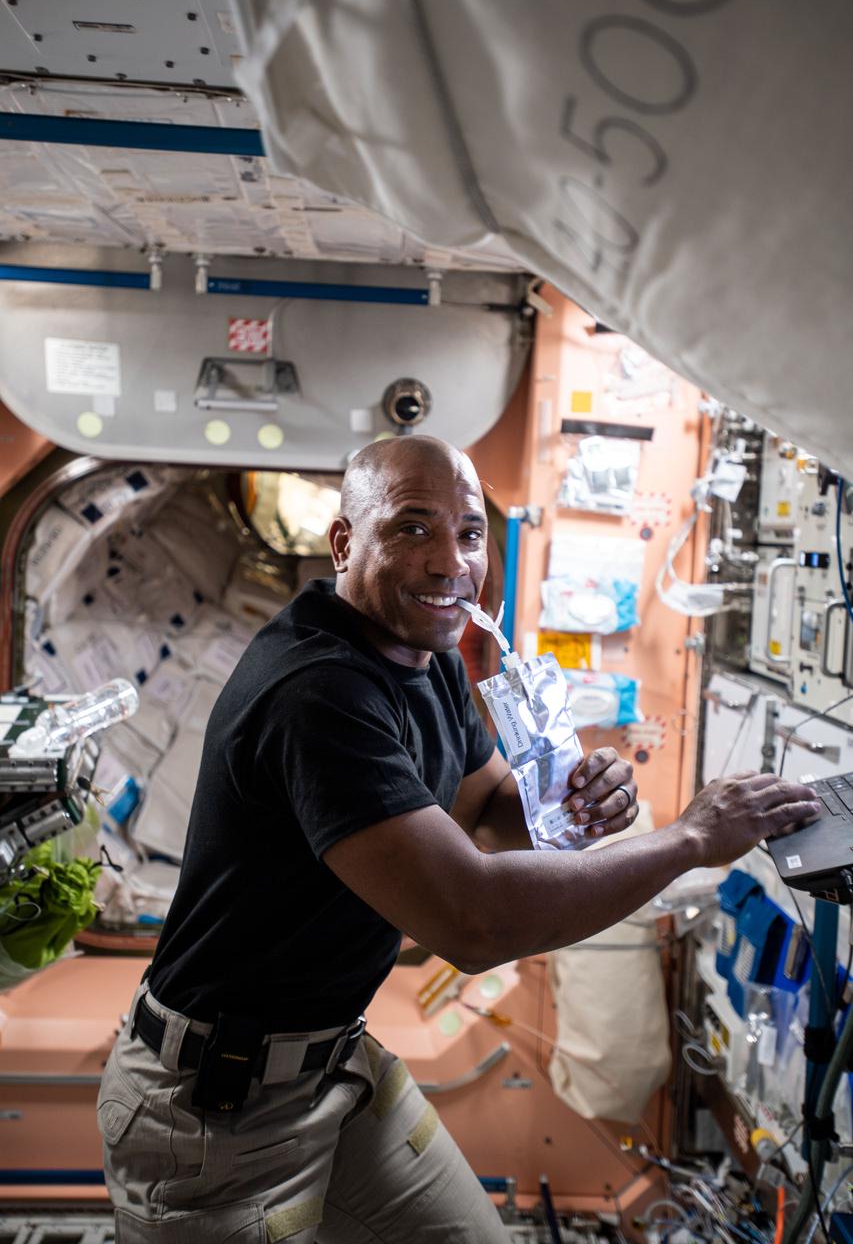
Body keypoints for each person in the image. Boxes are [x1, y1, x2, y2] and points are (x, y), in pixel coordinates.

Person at [97, 435, 820, 1243]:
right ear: (345, 543)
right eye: (412, 529)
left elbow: (484, 809)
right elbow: (474, 925)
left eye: (469, 534)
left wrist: (575, 806)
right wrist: (689, 839)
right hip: (214, 1107)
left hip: (332, 1067)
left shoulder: (426, 654)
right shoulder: (318, 693)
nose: (451, 562)